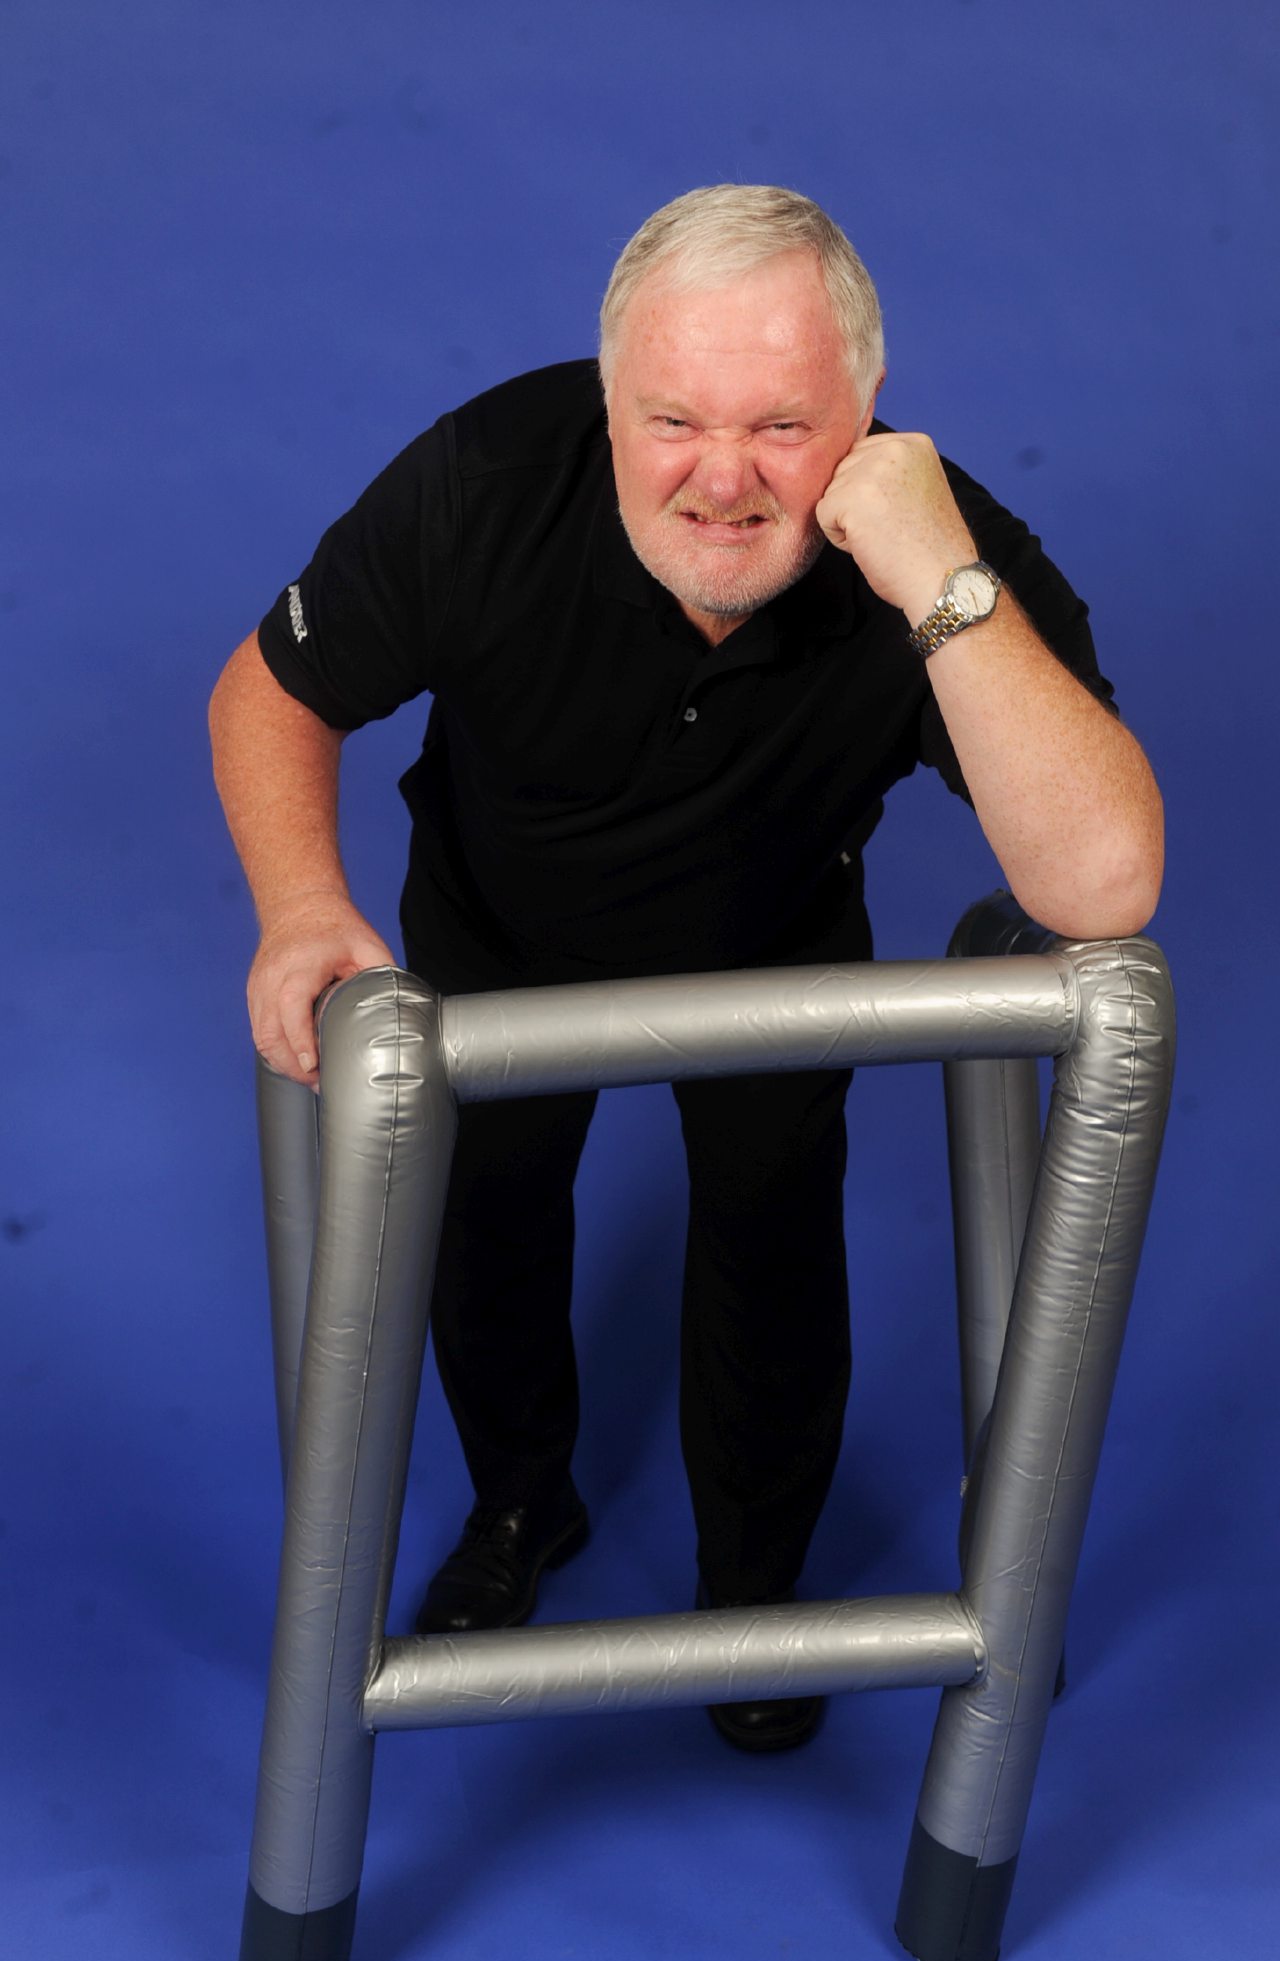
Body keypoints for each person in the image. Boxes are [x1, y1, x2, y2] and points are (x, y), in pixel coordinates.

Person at [209, 185, 1163, 1752]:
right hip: (500, 927)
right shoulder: (490, 480)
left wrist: (935, 577)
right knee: (487, 1221)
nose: (723, 479)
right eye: (673, 420)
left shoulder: (937, 544)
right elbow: (269, 689)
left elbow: (1107, 879)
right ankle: (522, 1509)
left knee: (773, 1241)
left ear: (868, 413)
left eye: (785, 426)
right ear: (610, 401)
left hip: (775, 937)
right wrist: (302, 903)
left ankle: (755, 1588)